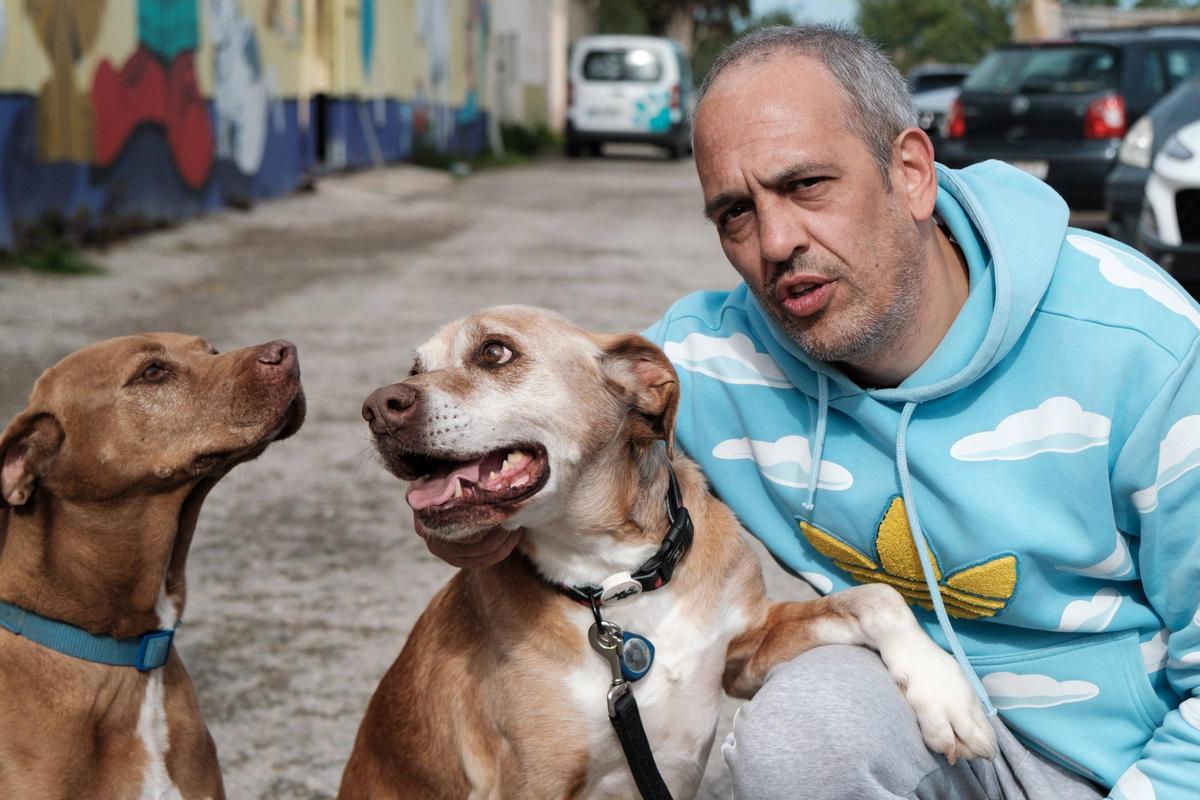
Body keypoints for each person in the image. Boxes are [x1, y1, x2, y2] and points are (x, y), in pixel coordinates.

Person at [422, 25, 1200, 800]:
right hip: (919, 733)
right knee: (801, 728)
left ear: (910, 172)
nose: (776, 240)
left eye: (805, 185)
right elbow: (547, 422)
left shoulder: (1145, 347)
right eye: (734, 211)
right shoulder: (706, 364)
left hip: (1128, 762)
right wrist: (460, 512)